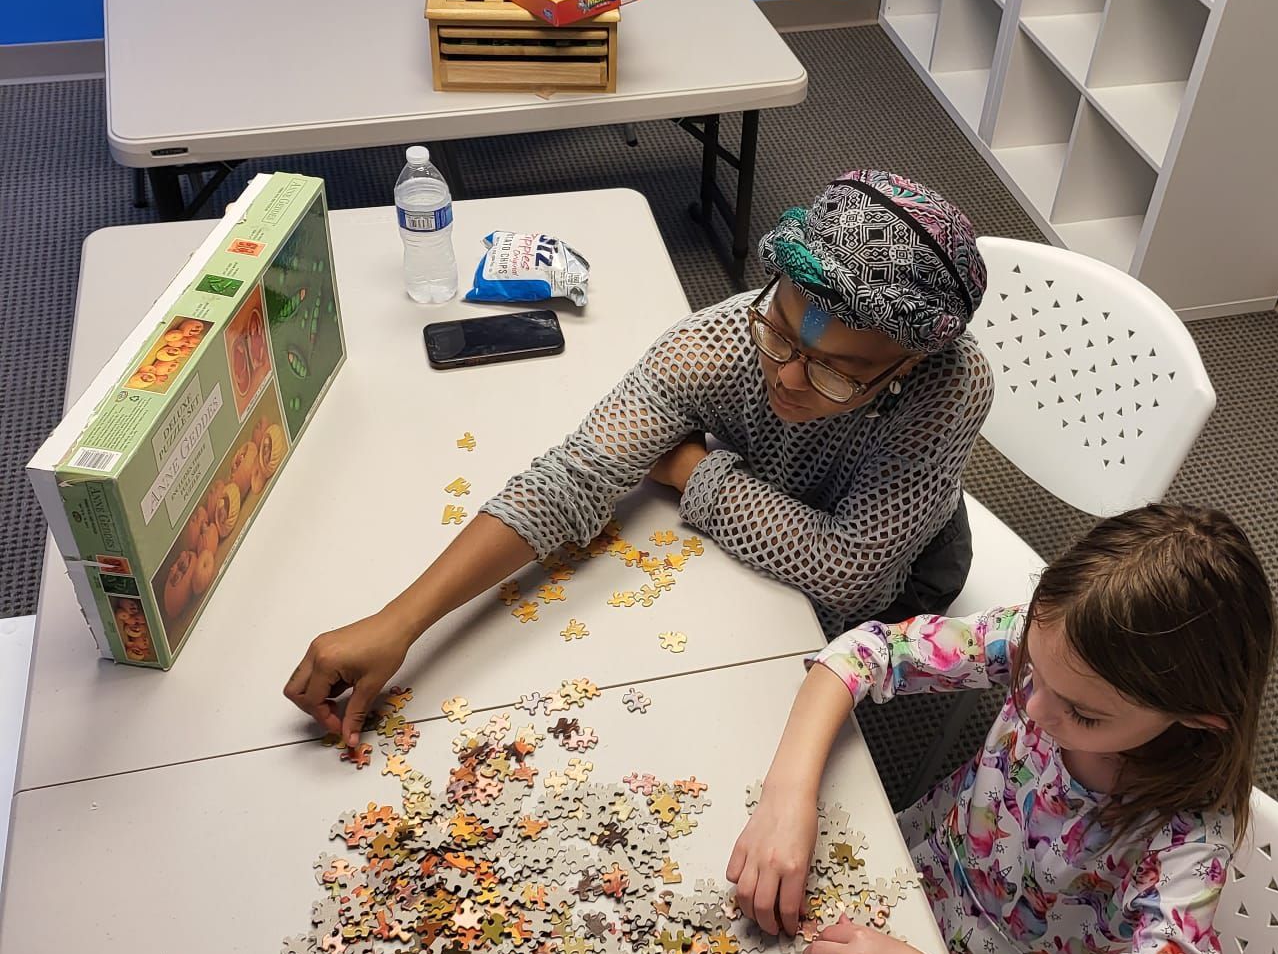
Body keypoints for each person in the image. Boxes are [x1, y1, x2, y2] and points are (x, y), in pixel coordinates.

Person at [285, 170, 994, 747]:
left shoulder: (953, 386)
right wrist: (400, 620)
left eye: (835, 372)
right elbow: (571, 479)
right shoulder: (714, 344)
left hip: (906, 575)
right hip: (773, 515)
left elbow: (852, 576)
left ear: (906, 365)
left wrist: (691, 471)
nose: (787, 378)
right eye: (778, 333)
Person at [728, 504, 1277, 954]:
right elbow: (869, 651)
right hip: (909, 878)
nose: (1035, 708)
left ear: (1194, 718)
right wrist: (787, 798)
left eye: (1083, 714)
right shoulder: (1052, 652)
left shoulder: (1188, 843)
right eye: (1034, 674)